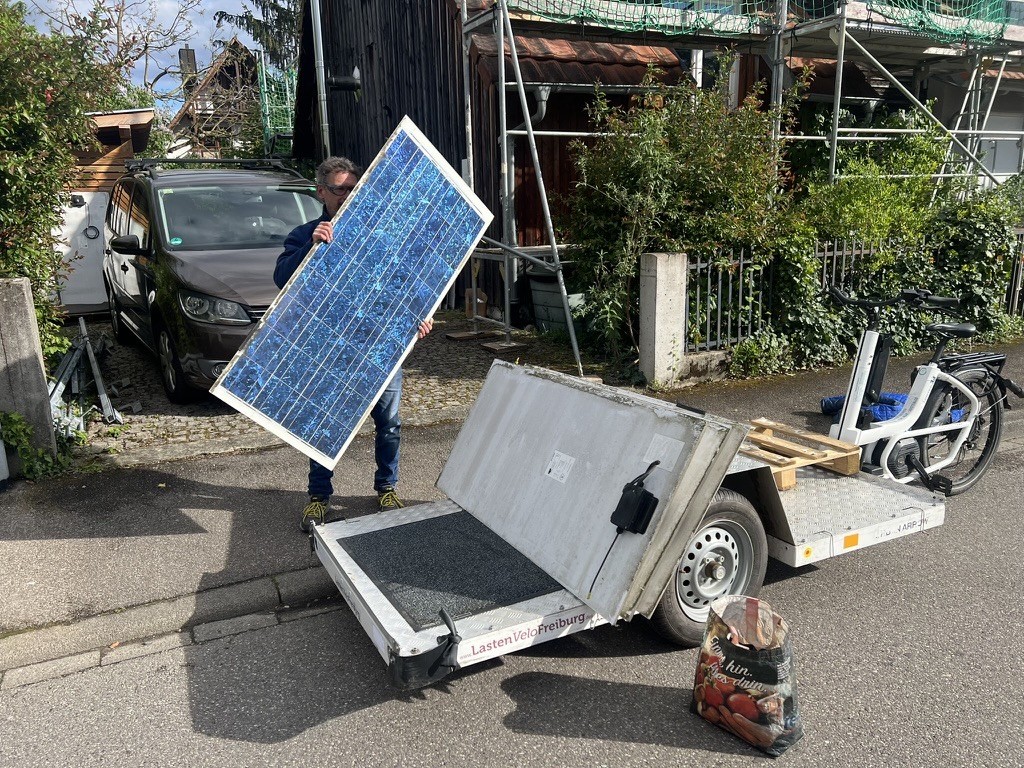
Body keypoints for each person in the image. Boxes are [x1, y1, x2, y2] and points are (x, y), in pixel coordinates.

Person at [275, 156, 433, 531]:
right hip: (329, 349)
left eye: (353, 188)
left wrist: (421, 315)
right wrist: (310, 247)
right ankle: (318, 498)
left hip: (380, 345)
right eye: (339, 189)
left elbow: (404, 282)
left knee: (389, 424)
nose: (347, 195)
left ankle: (387, 489)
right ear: (321, 192)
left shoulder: (379, 237)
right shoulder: (303, 235)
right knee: (323, 425)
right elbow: (282, 279)